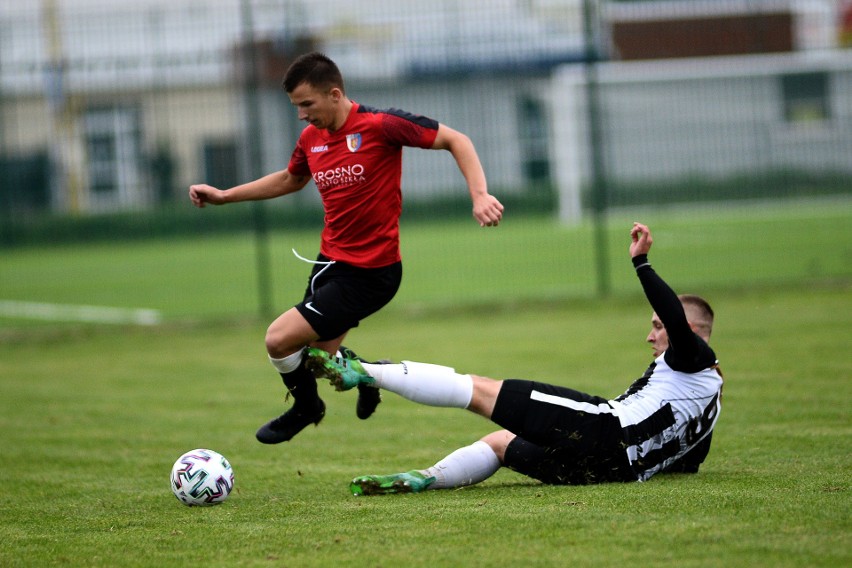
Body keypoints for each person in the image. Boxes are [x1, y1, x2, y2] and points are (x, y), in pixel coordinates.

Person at [189, 52, 504, 445]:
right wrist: (224, 196)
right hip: (329, 265)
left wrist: (479, 195)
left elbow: (457, 139)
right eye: (296, 107)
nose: (301, 115)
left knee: (277, 339)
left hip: (372, 274)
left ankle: (307, 409)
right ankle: (366, 374)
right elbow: (291, 179)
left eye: (307, 104)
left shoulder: (382, 125)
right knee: (319, 362)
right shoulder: (311, 139)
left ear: (334, 94)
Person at [306, 222, 723, 495]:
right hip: (611, 470)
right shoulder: (710, 399)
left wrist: (642, 262)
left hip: (606, 431)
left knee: (479, 390)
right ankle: (424, 479)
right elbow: (687, 463)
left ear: (691, 332)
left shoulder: (693, 355)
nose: (651, 334)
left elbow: (674, 316)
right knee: (502, 444)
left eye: (659, 326)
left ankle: (363, 373)